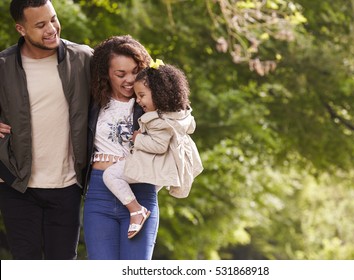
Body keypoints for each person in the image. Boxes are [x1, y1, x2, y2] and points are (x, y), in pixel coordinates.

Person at [0, 0, 92, 259]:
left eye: (53, 19)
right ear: (21, 29)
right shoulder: (3, 66)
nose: (51, 28)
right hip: (16, 185)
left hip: (68, 186)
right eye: (40, 25)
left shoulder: (83, 58)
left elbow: (123, 92)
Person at [103, 61, 203, 239]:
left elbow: (158, 145)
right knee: (151, 187)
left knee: (110, 175)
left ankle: (136, 210)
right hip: (167, 167)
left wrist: (138, 139)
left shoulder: (160, 120)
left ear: (159, 93)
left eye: (141, 95)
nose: (138, 100)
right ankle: (141, 206)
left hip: (158, 164)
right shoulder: (179, 115)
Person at [83, 35, 160, 260]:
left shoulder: (151, 103)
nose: (130, 79)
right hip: (99, 195)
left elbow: (175, 137)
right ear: (106, 74)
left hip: (141, 195)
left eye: (136, 71)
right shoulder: (93, 102)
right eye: (120, 74)